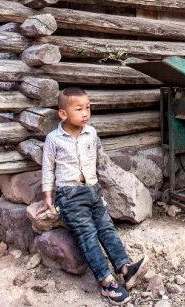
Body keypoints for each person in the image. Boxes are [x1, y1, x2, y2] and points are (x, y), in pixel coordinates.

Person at [39, 87, 150, 305]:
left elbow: (99, 161)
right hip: (69, 195)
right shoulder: (53, 139)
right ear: (63, 114)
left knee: (107, 228)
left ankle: (125, 268)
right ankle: (107, 282)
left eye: (88, 108)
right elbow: (48, 169)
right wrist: (48, 198)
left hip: (93, 190)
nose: (85, 113)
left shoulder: (91, 133)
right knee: (87, 234)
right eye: (78, 109)